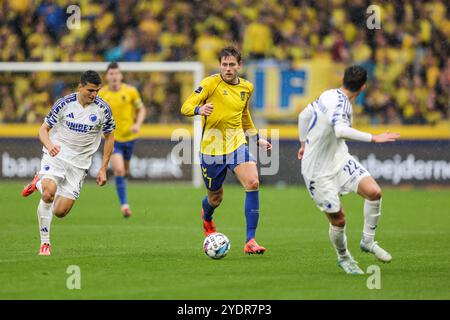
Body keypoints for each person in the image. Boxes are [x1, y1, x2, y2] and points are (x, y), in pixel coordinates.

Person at [297, 65, 400, 274]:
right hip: (317, 171)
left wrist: (302, 142)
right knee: (339, 218)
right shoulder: (342, 104)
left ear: (343, 79)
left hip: (339, 158)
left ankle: (367, 241)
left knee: (374, 192)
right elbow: (341, 130)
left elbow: (303, 115)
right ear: (363, 88)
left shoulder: (327, 95)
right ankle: (344, 258)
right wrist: (374, 137)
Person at [181, 46, 272, 254]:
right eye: (224, 64)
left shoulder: (247, 88)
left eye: (232, 64)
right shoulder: (209, 83)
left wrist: (256, 138)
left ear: (239, 66)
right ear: (220, 65)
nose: (228, 68)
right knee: (215, 198)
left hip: (237, 143)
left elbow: (244, 116)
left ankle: (250, 240)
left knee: (253, 182)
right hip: (211, 148)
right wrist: (199, 109)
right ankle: (207, 216)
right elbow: (185, 106)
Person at [21, 70, 115, 256]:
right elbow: (43, 130)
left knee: (60, 211)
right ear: (80, 87)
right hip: (57, 156)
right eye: (90, 90)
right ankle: (45, 243)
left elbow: (110, 136)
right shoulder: (64, 104)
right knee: (49, 194)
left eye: (97, 91)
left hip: (79, 165)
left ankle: (37, 182)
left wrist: (103, 168)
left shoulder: (103, 109)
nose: (94, 94)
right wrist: (50, 145)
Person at [98, 62, 146, 218]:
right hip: (112, 139)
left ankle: (122, 179)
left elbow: (141, 109)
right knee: (119, 170)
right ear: (106, 77)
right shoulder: (102, 94)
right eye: (111, 74)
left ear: (121, 76)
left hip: (129, 138)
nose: (114, 76)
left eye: (116, 73)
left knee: (125, 171)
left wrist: (138, 124)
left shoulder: (131, 91)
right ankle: (124, 205)